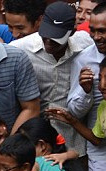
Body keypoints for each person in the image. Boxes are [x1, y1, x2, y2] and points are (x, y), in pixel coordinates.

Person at [13, 2, 94, 159]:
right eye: (46, 34)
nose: (49, 42)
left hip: (75, 142)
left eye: (56, 38)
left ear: (72, 33)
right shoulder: (20, 49)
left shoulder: (86, 45)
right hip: (34, 143)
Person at [66, 1, 106, 171]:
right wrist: (86, 92)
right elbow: (74, 110)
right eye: (93, 31)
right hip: (100, 151)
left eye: (103, 31)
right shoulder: (84, 60)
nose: (97, 37)